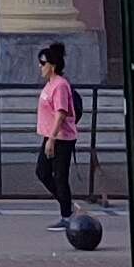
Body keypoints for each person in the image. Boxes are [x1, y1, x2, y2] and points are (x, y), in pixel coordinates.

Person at [33, 41, 80, 225]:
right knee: (43, 172)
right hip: (51, 135)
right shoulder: (50, 84)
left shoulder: (60, 85)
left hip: (61, 137)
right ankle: (67, 205)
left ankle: (66, 215)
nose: (40, 66)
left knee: (60, 175)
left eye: (43, 63)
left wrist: (51, 139)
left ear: (52, 65)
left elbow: (61, 113)